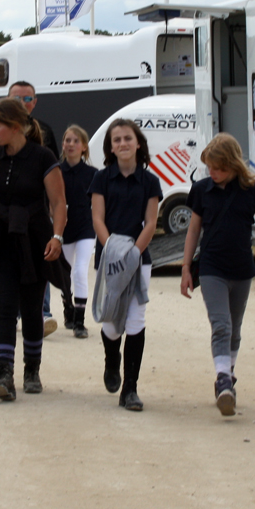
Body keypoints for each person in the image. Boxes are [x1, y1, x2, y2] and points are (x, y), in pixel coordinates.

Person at [0, 98, 66, 401]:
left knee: (32, 308)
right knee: (4, 308)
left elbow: (58, 202)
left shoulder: (42, 156)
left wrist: (57, 237)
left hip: (34, 237)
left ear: (13, 127)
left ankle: (32, 369)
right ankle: (4, 373)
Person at [180, 133, 255, 417]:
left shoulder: (253, 190)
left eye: (219, 168)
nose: (213, 173)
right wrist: (185, 267)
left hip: (242, 269)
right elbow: (193, 230)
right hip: (211, 268)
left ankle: (227, 374)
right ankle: (223, 381)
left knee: (235, 327)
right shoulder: (201, 189)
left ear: (233, 165)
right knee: (221, 324)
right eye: (210, 167)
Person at [89, 118, 162, 412]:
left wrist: (133, 252)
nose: (122, 144)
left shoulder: (150, 181)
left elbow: (152, 221)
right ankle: (111, 360)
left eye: (127, 138)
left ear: (138, 143)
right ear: (111, 146)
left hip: (138, 258)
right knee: (111, 320)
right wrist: (114, 250)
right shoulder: (101, 179)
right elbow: (97, 219)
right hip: (109, 258)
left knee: (135, 320)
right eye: (116, 139)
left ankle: (130, 388)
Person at [0, 81, 62, 332]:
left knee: (37, 266)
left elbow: (55, 176)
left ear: (35, 103)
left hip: (34, 216)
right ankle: (10, 316)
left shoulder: (43, 134)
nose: (23, 103)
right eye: (17, 98)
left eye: (27, 99)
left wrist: (55, 227)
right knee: (4, 289)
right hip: (2, 220)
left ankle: (42, 312)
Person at [59, 125, 97, 339]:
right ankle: (68, 308)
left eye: (75, 141)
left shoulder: (92, 174)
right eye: (67, 140)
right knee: (64, 273)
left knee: (80, 270)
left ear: (84, 147)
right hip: (63, 229)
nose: (70, 144)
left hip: (85, 227)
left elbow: (99, 204)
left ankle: (80, 321)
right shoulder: (56, 171)